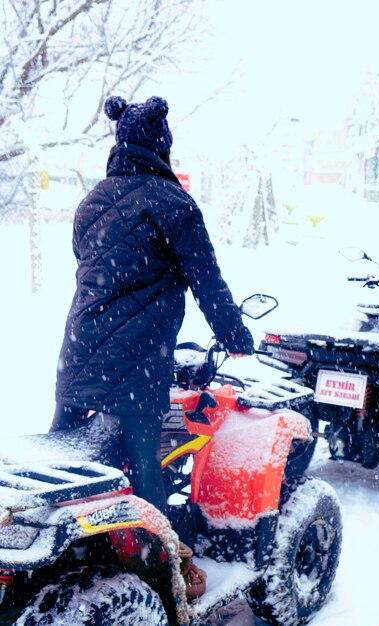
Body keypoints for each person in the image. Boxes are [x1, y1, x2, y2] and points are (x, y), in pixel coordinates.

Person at [50, 94, 254, 519]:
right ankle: (162, 571)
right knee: (146, 472)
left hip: (78, 349)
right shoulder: (174, 204)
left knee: (58, 469)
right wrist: (234, 334)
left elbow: (89, 266)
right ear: (162, 146)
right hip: (137, 360)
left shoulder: (92, 202)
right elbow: (208, 282)